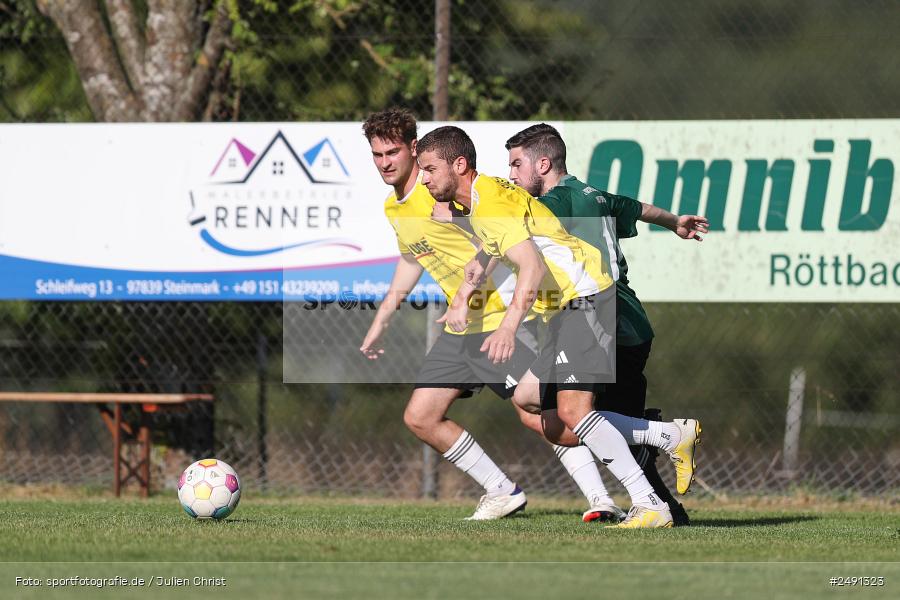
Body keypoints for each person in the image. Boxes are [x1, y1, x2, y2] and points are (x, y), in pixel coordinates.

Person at [416, 125, 700, 528]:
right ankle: (667, 436)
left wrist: (508, 327)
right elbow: (489, 248)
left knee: (574, 411)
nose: (423, 179)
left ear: (458, 165)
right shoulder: (485, 200)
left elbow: (530, 266)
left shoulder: (492, 202)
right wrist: (462, 296)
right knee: (540, 409)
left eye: (428, 169)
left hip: (585, 296)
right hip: (567, 305)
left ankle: (650, 501)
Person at [358, 108, 621, 522]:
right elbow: (412, 259)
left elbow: (498, 240)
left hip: (501, 316)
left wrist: (475, 295)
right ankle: (501, 490)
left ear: (414, 150)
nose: (385, 162)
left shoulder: (442, 191)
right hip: (460, 328)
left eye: (392, 152)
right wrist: (382, 320)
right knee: (421, 416)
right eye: (376, 154)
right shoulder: (397, 207)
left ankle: (604, 492)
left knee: (541, 415)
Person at [504, 123, 709, 525]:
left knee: (587, 420)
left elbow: (513, 234)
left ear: (542, 163)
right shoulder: (590, 193)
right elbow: (636, 207)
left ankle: (664, 479)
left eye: (516, 164)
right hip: (621, 320)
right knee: (539, 402)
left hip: (605, 319)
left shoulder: (555, 204)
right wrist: (675, 222)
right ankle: (663, 456)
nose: (511, 174)